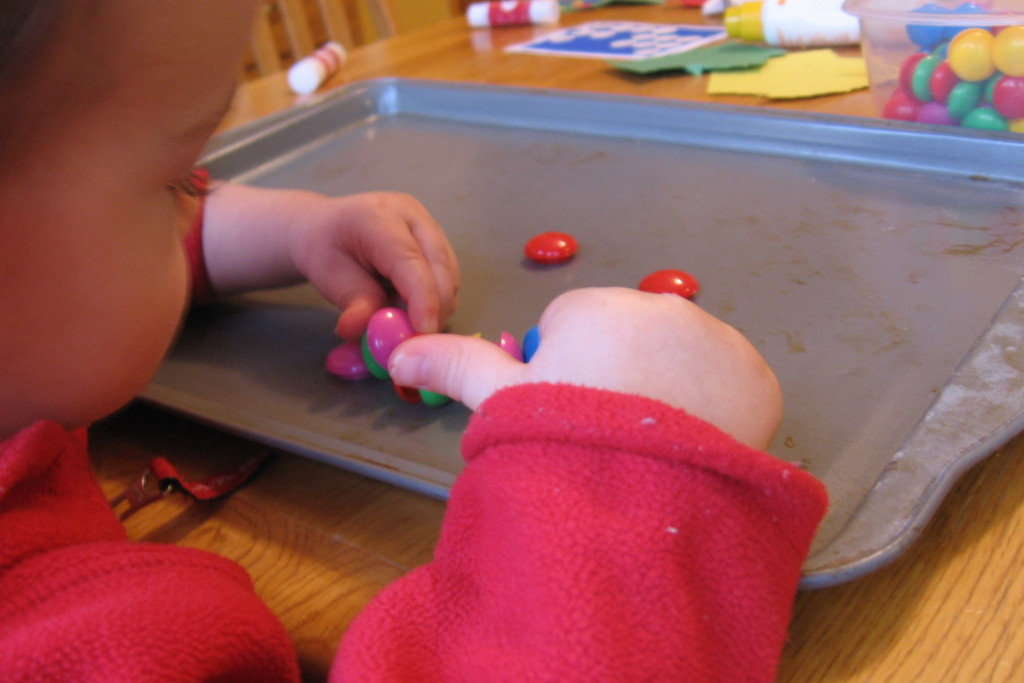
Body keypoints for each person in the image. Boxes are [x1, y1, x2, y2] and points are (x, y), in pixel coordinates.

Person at [0, 1, 828, 681]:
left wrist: (292, 230)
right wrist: (623, 487)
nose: (200, 202)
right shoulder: (95, 646)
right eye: (178, 180)